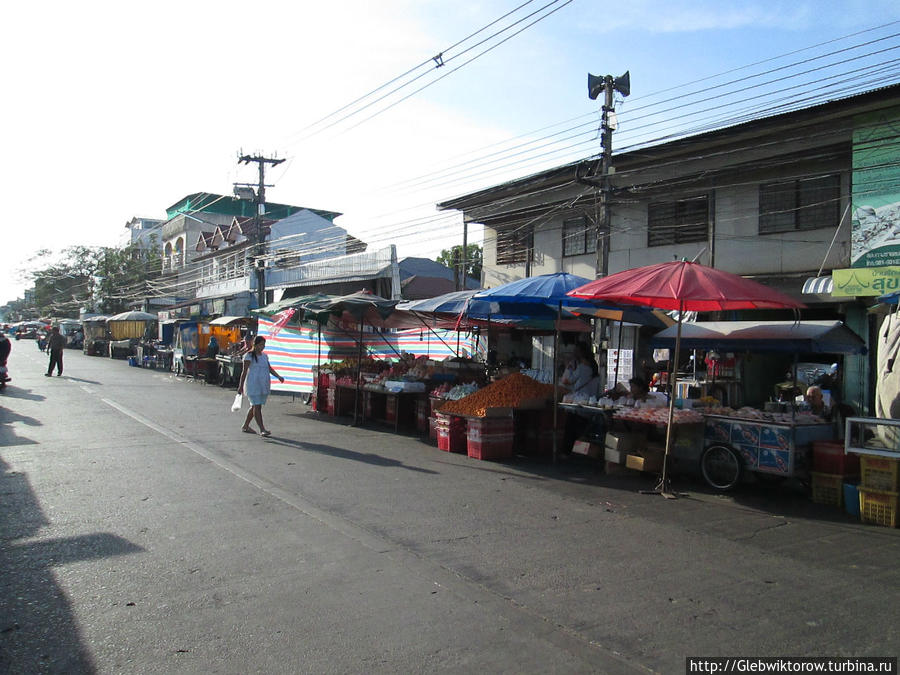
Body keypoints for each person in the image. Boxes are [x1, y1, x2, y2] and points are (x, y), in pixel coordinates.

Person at [238, 336, 284, 437]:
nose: (263, 346)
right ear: (256, 344)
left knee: (255, 406)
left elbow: (269, 368)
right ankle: (262, 429)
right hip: (253, 384)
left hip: (263, 384)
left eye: (264, 344)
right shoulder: (248, 356)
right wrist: (240, 386)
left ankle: (245, 426)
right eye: (261, 344)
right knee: (257, 406)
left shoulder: (264, 356)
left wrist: (278, 376)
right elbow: (244, 372)